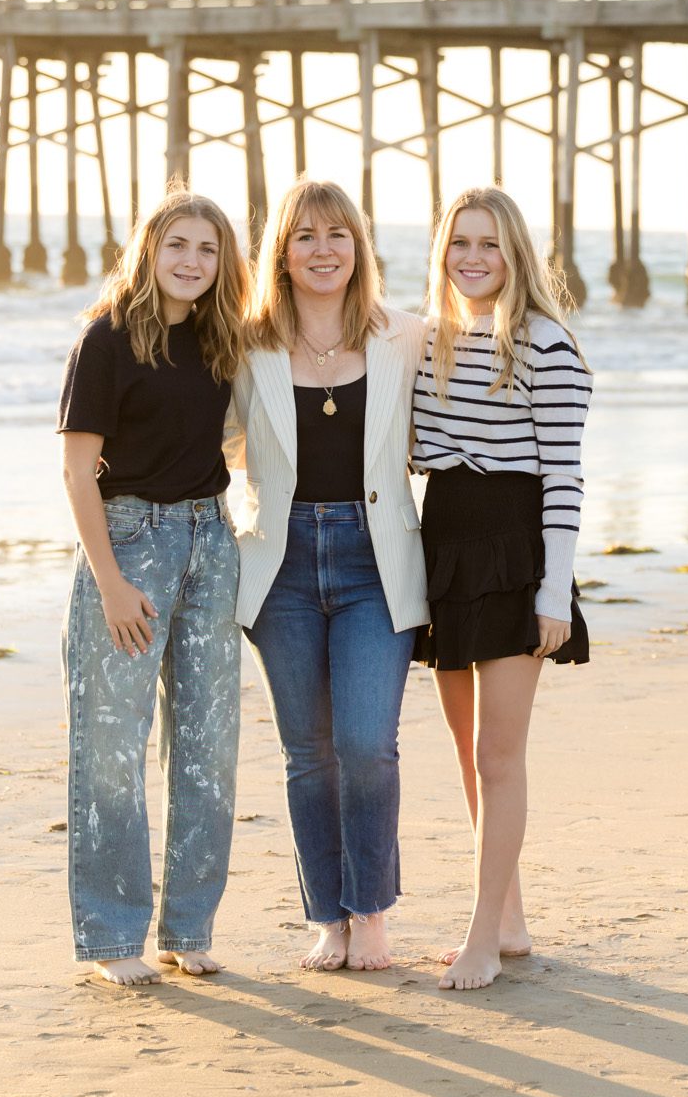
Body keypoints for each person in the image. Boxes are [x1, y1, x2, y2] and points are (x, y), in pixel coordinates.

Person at [57, 189, 253, 988]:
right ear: (149, 248)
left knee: (209, 747)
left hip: (213, 539)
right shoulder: (104, 339)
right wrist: (109, 583)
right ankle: (111, 936)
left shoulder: (221, 341)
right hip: (128, 543)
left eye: (208, 249)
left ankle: (189, 927)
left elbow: (245, 435)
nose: (192, 261)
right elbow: (76, 470)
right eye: (178, 244)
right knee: (110, 749)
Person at [232, 178, 428, 973]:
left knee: (366, 743)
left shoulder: (405, 338)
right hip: (277, 565)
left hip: (374, 560)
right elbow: (189, 435)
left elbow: (476, 395)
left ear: (359, 247)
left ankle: (371, 908)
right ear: (282, 251)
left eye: (337, 235)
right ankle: (327, 917)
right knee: (308, 751)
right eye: (305, 235)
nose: (323, 250)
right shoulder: (245, 345)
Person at [413, 186, 594, 991]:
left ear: (515, 252)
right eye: (460, 242)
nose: (473, 257)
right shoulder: (431, 342)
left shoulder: (547, 345)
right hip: (444, 539)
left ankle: (482, 935)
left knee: (500, 753)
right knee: (466, 749)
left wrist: (553, 592)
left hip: (515, 550)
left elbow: (564, 479)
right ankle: (510, 914)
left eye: (489, 242)